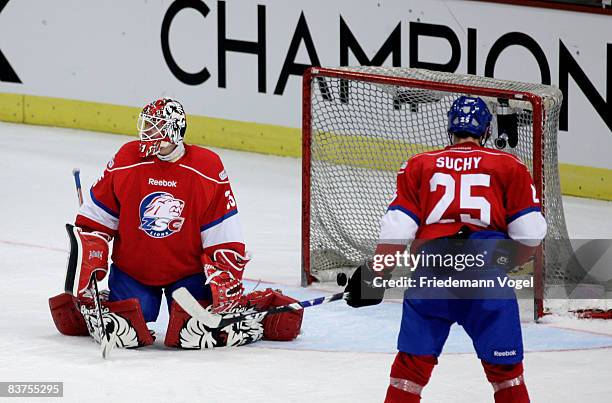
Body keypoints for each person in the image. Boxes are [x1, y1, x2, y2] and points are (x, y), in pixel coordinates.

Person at [49, 97, 302, 349]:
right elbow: (98, 217)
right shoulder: (127, 157)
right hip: (133, 271)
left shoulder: (207, 168)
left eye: (154, 125)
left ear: (173, 130)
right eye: (146, 124)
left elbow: (222, 230)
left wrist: (225, 275)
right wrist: (91, 247)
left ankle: (257, 308)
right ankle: (98, 308)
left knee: (193, 334)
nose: (145, 131)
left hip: (188, 275)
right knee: (124, 334)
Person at [344, 96, 547, 402]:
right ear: (487, 130)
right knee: (507, 375)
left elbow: (398, 228)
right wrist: (505, 262)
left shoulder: (419, 164)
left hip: (431, 273)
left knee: (408, 372)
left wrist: (376, 274)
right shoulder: (509, 165)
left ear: (450, 128)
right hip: (485, 275)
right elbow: (530, 233)